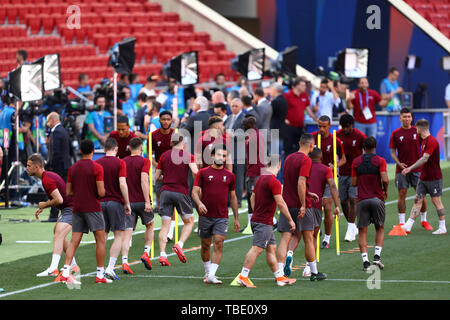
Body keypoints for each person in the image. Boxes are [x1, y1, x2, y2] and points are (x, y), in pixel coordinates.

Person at [237, 156, 297, 288]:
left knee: (271, 249)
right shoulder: (273, 181)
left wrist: (257, 211)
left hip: (261, 220)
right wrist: (290, 220)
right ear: (279, 165)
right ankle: (243, 276)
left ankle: (279, 277)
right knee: (257, 248)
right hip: (263, 222)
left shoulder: (260, 179)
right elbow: (281, 203)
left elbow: (252, 197)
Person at [59, 139, 110, 285]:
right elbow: (101, 192)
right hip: (93, 207)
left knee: (74, 241)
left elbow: (68, 192)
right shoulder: (97, 167)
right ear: (93, 150)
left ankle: (66, 271)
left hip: (77, 208)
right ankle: (100, 274)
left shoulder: (73, 168)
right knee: (100, 240)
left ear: (80, 151)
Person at [276, 133, 326, 281]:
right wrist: (304, 204)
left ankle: (279, 274)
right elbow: (300, 182)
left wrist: (308, 193)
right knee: (309, 239)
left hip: (287, 203)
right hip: (301, 205)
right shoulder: (306, 160)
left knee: (285, 239)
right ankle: (314, 273)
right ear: (311, 146)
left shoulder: (289, 158)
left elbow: (291, 182)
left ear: (299, 143)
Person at [284, 148, 340, 278]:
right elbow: (332, 185)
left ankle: (290, 254)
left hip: (297, 203)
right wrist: (337, 205)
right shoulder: (325, 169)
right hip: (313, 206)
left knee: (296, 234)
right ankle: (309, 268)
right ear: (321, 158)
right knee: (312, 238)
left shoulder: (304, 165)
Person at [192, 146, 240, 284]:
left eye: (224, 156)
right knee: (205, 245)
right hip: (205, 216)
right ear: (212, 155)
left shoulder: (230, 176)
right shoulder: (203, 173)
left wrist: (236, 218)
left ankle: (212, 275)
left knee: (218, 243)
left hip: (222, 216)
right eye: (219, 155)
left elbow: (233, 197)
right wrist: (199, 203)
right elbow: (194, 192)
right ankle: (207, 272)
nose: (221, 158)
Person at [27, 154, 79, 278]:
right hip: (71, 207)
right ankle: (73, 264)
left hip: (72, 208)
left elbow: (59, 199)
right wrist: (44, 206)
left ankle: (53, 268)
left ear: (37, 167)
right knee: (58, 232)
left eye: (29, 166)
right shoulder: (47, 177)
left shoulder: (47, 179)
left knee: (58, 234)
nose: (26, 168)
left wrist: (44, 204)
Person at [155, 133, 199, 266]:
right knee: (189, 222)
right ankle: (179, 245)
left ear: (171, 143)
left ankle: (162, 255)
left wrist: (167, 177)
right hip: (181, 192)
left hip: (166, 192)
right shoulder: (187, 156)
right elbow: (196, 172)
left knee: (165, 226)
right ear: (183, 143)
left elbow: (157, 177)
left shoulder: (164, 155)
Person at [401, 119, 446, 235]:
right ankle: (408, 225)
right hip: (423, 177)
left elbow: (425, 158)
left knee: (436, 201)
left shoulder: (431, 141)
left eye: (416, 128)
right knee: (417, 200)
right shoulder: (424, 140)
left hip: (434, 178)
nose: (416, 131)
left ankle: (442, 227)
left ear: (420, 128)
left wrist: (410, 168)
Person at [96, 138, 132, 280]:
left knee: (102, 237)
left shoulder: (97, 163)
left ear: (105, 149)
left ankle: (100, 269)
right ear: (116, 149)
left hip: (100, 203)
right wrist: (127, 202)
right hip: (116, 203)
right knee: (118, 236)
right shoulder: (120, 162)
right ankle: (110, 267)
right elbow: (122, 183)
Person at [352, 136, 389, 271]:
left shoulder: (356, 162)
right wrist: (385, 191)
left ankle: (365, 262)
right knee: (380, 227)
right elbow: (385, 179)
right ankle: (377, 258)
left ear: (363, 147)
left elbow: (354, 183)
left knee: (362, 231)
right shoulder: (380, 161)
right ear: (375, 147)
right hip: (377, 198)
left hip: (362, 200)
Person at [389, 108, 428, 228]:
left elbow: (428, 146)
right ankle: (401, 223)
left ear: (412, 118)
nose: (407, 119)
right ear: (400, 118)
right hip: (402, 170)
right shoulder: (395, 133)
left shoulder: (419, 132)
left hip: (417, 169)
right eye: (404, 117)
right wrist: (399, 163)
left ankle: (424, 220)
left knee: (421, 195)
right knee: (402, 194)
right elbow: (392, 152)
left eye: (409, 116)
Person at [312, 115, 346, 249]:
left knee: (327, 206)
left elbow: (344, 159)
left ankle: (327, 238)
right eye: (319, 126)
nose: (321, 129)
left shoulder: (335, 140)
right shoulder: (312, 137)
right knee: (313, 207)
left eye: (324, 127)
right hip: (314, 177)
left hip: (328, 178)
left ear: (329, 126)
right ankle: (315, 230)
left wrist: (336, 165)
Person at [121, 138, 154, 274]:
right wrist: (147, 201)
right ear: (141, 148)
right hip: (142, 200)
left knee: (127, 232)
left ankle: (124, 262)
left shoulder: (122, 161)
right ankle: (146, 252)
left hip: (128, 201)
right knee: (150, 225)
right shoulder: (145, 161)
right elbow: (144, 180)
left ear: (129, 148)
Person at [336, 114, 366, 242]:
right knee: (343, 201)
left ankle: (350, 229)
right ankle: (353, 226)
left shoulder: (359, 136)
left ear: (351, 126)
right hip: (342, 173)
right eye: (343, 127)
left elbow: (368, 150)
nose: (345, 129)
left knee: (353, 200)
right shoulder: (337, 135)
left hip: (356, 173)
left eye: (347, 127)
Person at [46, 112, 72, 222]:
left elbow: (55, 152)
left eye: (48, 122)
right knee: (63, 191)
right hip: (65, 165)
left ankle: (53, 215)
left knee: (55, 191)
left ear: (52, 120)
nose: (47, 124)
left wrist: (50, 165)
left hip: (58, 167)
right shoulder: (64, 131)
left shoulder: (56, 132)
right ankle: (65, 214)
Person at [242, 115, 266, 231]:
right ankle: (250, 224)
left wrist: (257, 171)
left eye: (245, 125)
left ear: (250, 125)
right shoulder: (251, 136)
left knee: (254, 197)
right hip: (251, 170)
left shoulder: (256, 136)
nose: (243, 127)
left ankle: (265, 221)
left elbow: (260, 155)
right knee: (249, 197)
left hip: (255, 171)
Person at [283, 78, 317, 156]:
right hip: (290, 127)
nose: (305, 87)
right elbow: (282, 109)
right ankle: (287, 166)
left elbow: (308, 109)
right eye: (303, 85)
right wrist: (284, 119)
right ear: (296, 85)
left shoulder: (304, 95)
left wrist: (315, 118)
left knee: (300, 149)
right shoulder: (287, 95)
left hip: (300, 127)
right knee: (288, 149)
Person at [150, 111, 174, 212]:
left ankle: (173, 205)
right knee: (159, 185)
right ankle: (159, 206)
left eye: (168, 120)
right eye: (163, 119)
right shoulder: (153, 135)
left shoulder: (175, 134)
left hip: (173, 167)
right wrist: (158, 166)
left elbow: (180, 153)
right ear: (159, 121)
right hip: (159, 166)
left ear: (171, 121)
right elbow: (150, 155)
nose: (165, 122)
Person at [224, 99, 246, 205]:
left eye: (236, 106)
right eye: (232, 106)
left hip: (239, 153)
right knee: (230, 177)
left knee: (239, 177)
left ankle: (238, 200)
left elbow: (245, 134)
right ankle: (229, 200)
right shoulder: (229, 118)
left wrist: (232, 135)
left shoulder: (244, 118)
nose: (234, 108)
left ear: (241, 107)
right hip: (229, 152)